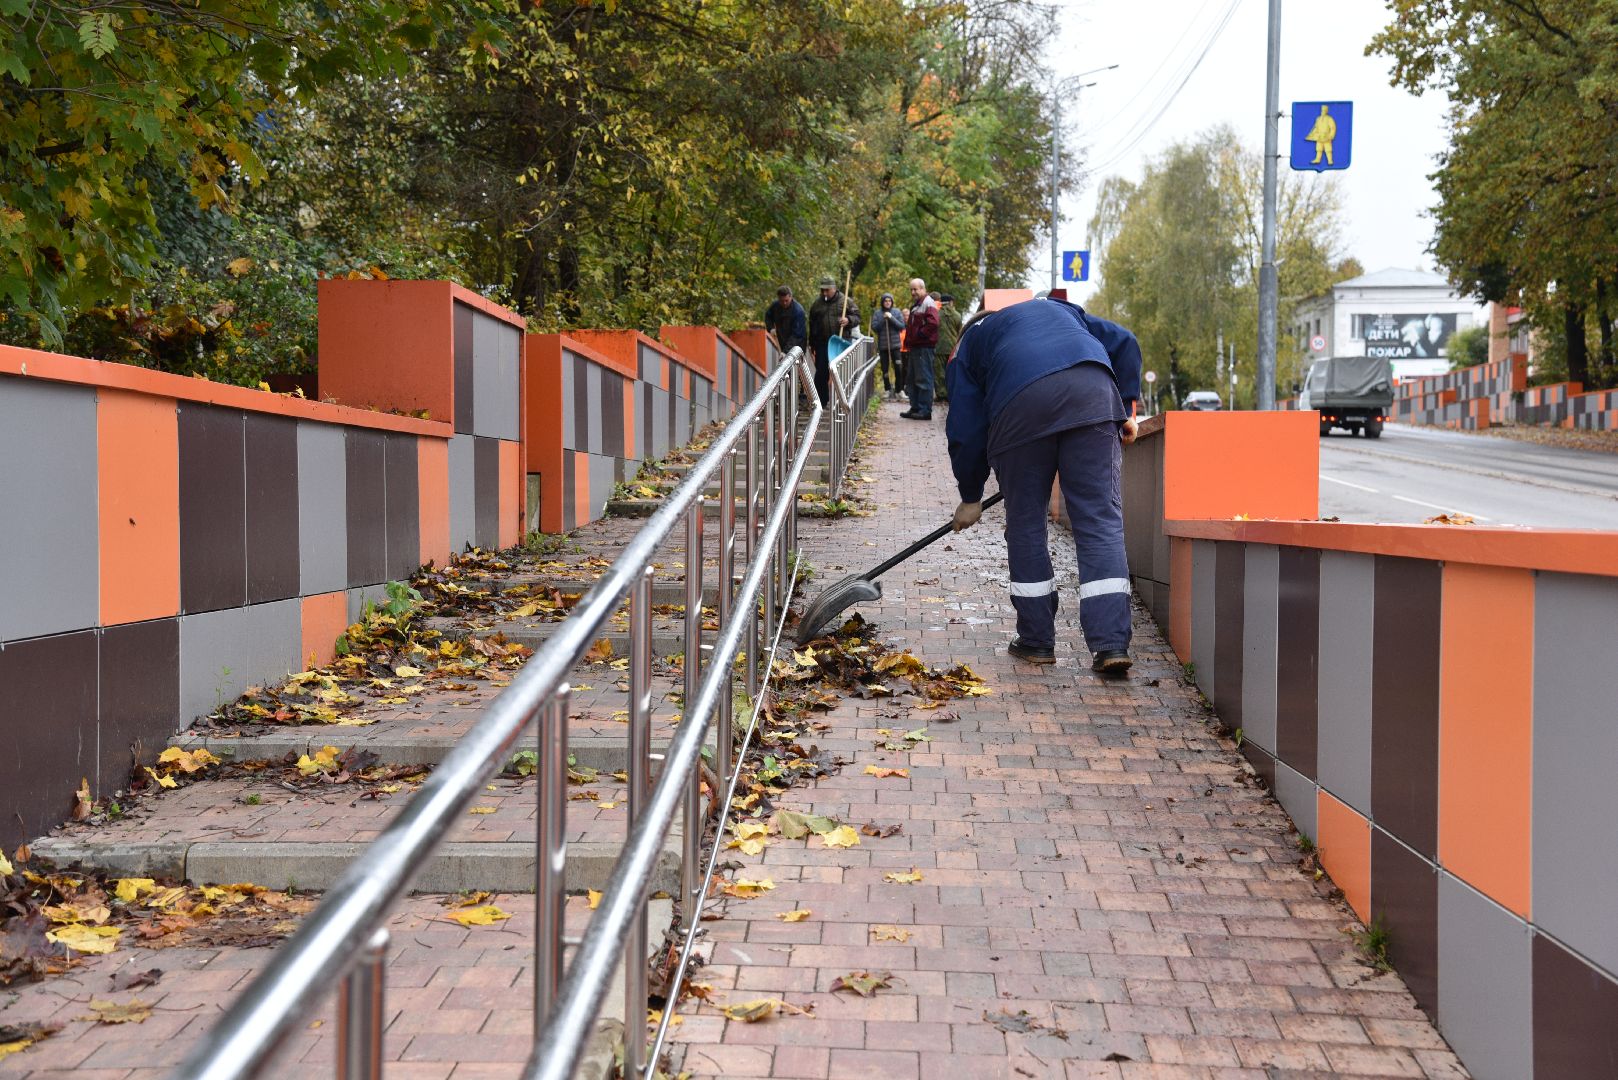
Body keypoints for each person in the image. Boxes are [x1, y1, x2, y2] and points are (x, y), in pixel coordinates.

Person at [944, 296, 1143, 674]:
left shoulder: (968, 346)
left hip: (1019, 408)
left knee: (1026, 525)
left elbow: (965, 430)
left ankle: (1036, 640)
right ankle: (1111, 644)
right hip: (1094, 395)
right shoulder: (1059, 310)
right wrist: (1128, 408)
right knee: (1099, 521)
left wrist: (970, 496)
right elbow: (1125, 341)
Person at [808, 275, 861, 406]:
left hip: (840, 342)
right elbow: (812, 324)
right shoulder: (817, 304)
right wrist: (812, 343)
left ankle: (842, 402)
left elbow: (857, 317)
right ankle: (821, 403)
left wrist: (848, 320)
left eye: (827, 290)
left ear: (834, 288)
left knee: (841, 372)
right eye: (822, 290)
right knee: (821, 373)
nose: (824, 293)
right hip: (822, 343)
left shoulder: (846, 301)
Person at [900, 277, 939, 420]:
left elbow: (933, 323)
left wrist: (919, 335)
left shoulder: (928, 303)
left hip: (924, 347)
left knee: (923, 378)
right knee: (912, 379)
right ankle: (915, 407)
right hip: (916, 347)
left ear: (922, 289)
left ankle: (925, 410)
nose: (913, 292)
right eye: (911, 289)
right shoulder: (917, 305)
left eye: (915, 289)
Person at [872, 293, 907, 398]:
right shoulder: (877, 313)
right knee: (885, 369)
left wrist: (891, 318)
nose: (887, 303)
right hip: (883, 346)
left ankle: (899, 390)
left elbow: (901, 326)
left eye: (889, 301)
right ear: (882, 302)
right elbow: (875, 328)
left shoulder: (897, 312)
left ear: (892, 302)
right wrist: (884, 319)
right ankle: (887, 389)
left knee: (898, 368)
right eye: (885, 301)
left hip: (895, 346)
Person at [933, 292, 961, 402]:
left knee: (940, 372)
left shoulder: (936, 314)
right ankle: (951, 394)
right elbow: (959, 330)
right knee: (951, 371)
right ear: (951, 302)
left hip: (939, 347)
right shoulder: (957, 315)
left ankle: (941, 394)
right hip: (952, 347)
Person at [764, 286, 807, 356]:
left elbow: (796, 336)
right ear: (778, 298)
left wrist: (786, 351)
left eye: (786, 300)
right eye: (782, 301)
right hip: (782, 342)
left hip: (797, 347)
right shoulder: (775, 306)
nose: (784, 303)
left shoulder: (798, 311)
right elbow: (768, 316)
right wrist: (771, 328)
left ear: (791, 297)